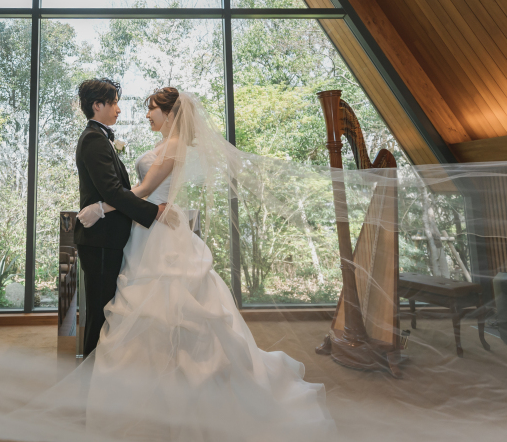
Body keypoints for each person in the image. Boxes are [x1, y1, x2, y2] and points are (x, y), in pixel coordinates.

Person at [71, 87, 335, 440]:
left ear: (169, 112)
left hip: (160, 234)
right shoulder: (150, 143)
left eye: (151, 109)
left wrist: (102, 208)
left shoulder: (175, 145)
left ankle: (162, 393)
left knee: (167, 308)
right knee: (143, 308)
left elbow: (144, 189)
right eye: (119, 103)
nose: (145, 114)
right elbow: (136, 190)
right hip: (145, 230)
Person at [73, 78, 171, 356]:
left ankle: (99, 370)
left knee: (106, 309)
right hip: (101, 239)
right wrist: (153, 211)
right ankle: (90, 371)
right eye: (114, 103)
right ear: (97, 105)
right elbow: (113, 192)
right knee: (100, 311)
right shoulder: (94, 139)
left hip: (108, 238)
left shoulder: (99, 137)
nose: (118, 109)